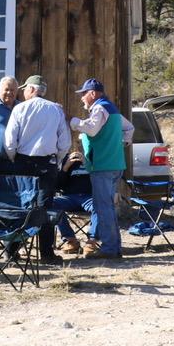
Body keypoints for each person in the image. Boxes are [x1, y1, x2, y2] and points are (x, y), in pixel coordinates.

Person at [3, 74, 72, 261]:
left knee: (21, 206)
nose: (23, 92)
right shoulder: (55, 110)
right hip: (46, 164)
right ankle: (47, 253)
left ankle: (11, 251)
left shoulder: (19, 109)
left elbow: (10, 141)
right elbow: (65, 142)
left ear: (32, 89)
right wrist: (56, 160)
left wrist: (14, 158)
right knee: (45, 208)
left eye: (25, 89)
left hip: (23, 162)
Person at [69, 78, 134, 260]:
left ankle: (110, 249)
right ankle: (113, 246)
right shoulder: (111, 109)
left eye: (84, 94)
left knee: (103, 207)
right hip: (114, 164)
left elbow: (91, 129)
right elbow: (129, 129)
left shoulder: (99, 108)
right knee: (107, 207)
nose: (82, 97)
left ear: (92, 93)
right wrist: (118, 144)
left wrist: (72, 121)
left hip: (102, 166)